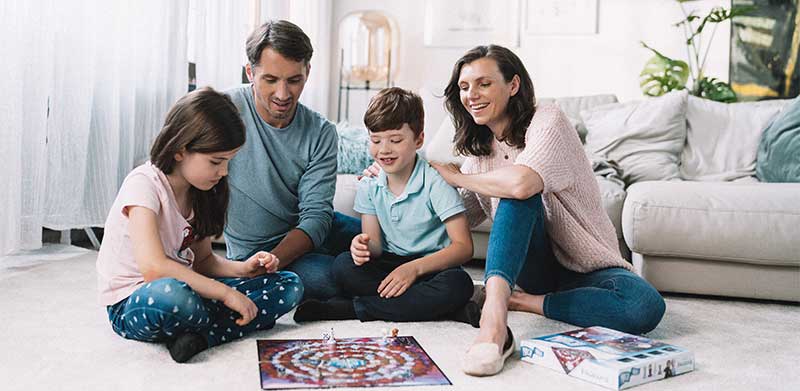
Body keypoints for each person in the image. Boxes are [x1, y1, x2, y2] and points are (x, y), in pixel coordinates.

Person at [435, 45, 667, 376]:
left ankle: (521, 302)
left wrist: (455, 175)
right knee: (517, 193)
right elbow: (454, 219)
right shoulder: (477, 159)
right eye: (464, 86)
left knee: (644, 306)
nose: (472, 95)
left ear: (513, 85)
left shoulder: (548, 120)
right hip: (535, 269)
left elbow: (522, 183)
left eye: (484, 83)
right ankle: (494, 322)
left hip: (590, 268)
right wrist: (401, 176)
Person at [96, 87, 303, 363]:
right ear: (181, 150)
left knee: (290, 285)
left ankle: (201, 336)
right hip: (137, 299)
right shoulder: (144, 184)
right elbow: (154, 269)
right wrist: (226, 293)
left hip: (191, 290)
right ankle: (217, 324)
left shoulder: (200, 190)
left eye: (228, 161)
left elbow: (203, 261)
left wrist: (245, 269)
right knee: (175, 297)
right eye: (216, 162)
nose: (224, 172)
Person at [293, 88, 478, 326]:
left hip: (431, 266)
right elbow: (376, 246)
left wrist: (413, 270)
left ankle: (353, 308)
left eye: (396, 140)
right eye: (376, 140)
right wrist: (362, 247)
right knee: (343, 266)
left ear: (418, 139)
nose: (384, 150)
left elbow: (463, 248)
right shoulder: (370, 184)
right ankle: (448, 310)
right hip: (390, 263)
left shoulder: (435, 182)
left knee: (458, 284)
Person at [224, 20, 359, 302]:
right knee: (329, 280)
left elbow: (317, 216)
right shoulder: (223, 111)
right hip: (255, 250)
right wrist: (270, 261)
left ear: (307, 72)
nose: (283, 95)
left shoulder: (321, 132)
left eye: (294, 80)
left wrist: (279, 256)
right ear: (250, 72)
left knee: (389, 240)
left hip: (309, 230)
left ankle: (441, 281)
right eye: (270, 80)